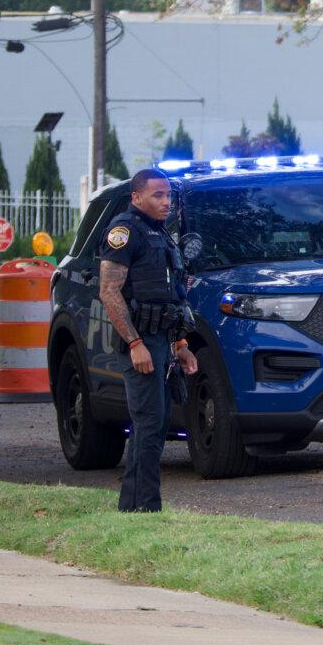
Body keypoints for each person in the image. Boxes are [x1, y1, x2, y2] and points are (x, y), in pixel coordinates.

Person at [99, 169, 198, 513]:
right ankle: (144, 507)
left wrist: (181, 345)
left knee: (156, 425)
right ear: (137, 197)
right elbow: (109, 291)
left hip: (164, 342)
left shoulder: (162, 235)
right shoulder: (125, 232)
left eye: (168, 195)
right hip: (142, 342)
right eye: (157, 195)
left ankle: (136, 507)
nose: (166, 202)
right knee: (148, 424)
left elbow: (173, 296)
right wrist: (134, 343)